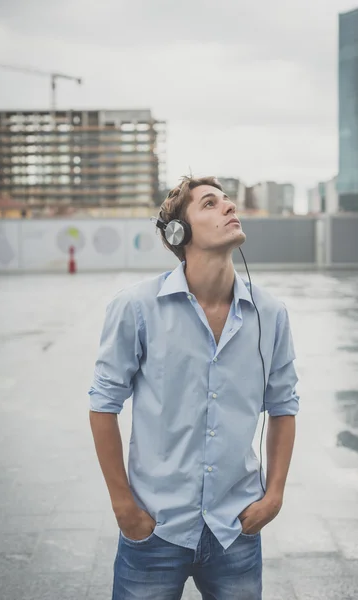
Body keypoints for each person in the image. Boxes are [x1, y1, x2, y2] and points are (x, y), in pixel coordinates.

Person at [88, 175, 300, 600]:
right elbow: (102, 405)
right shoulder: (136, 307)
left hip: (235, 530)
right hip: (154, 529)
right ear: (178, 233)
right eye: (209, 203)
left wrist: (273, 496)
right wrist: (124, 507)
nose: (228, 207)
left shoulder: (271, 313)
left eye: (227, 200)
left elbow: (283, 407)